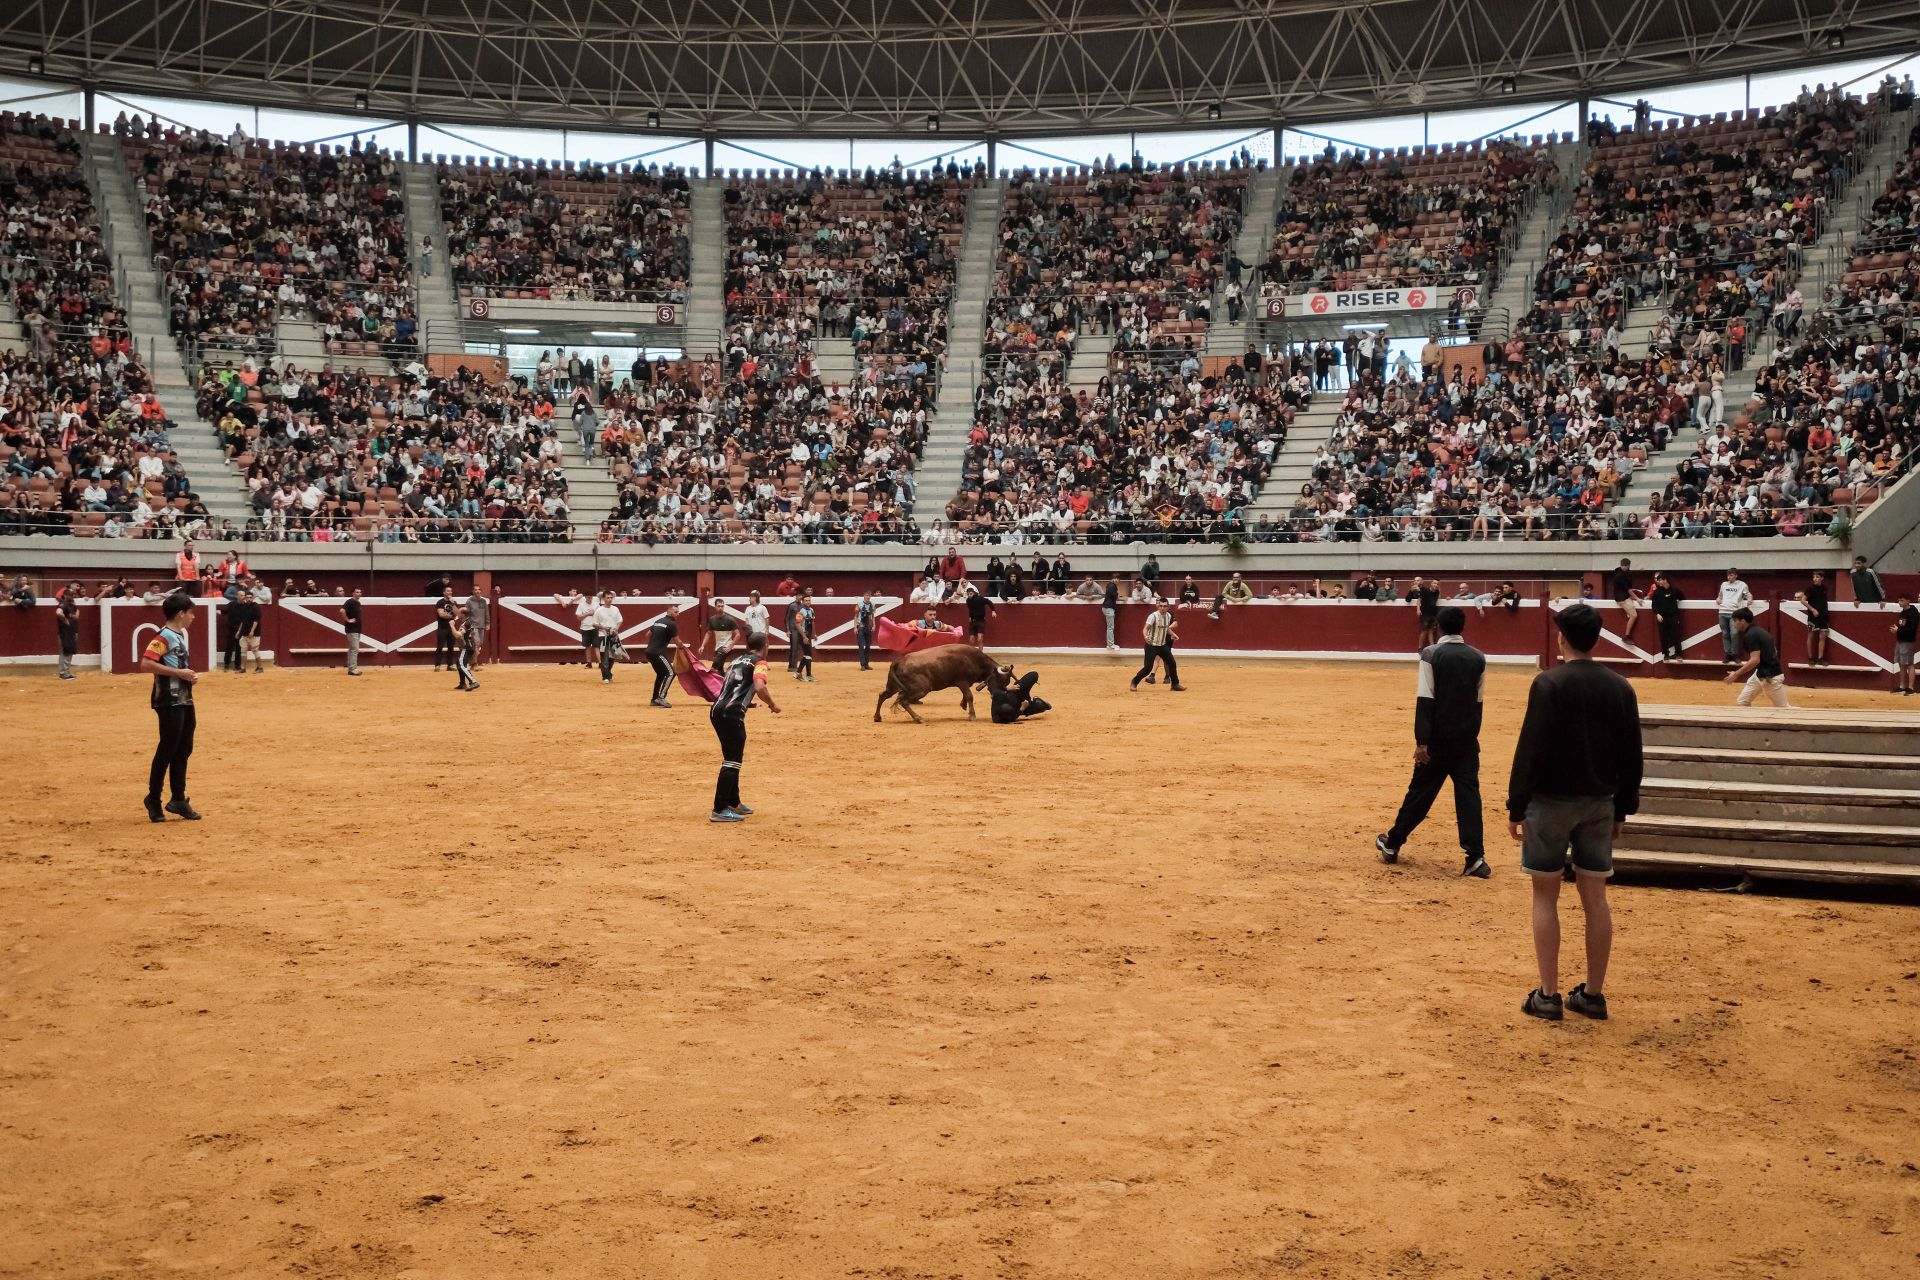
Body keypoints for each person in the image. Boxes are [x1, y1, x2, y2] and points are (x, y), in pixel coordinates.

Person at [1507, 603, 1643, 1022]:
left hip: (1549, 803)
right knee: (1596, 898)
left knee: (1545, 894)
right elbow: (1631, 754)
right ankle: (1593, 995)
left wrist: (1516, 804)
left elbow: (1531, 748)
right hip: (1600, 802)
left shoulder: (1548, 684)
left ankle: (1547, 996)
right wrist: (1624, 807)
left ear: (1561, 638)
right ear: (1598, 639)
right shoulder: (1620, 687)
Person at [1376, 607, 1489, 878]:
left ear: (1437, 626)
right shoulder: (1478, 657)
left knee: (1420, 792)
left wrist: (1422, 742)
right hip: (1466, 741)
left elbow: (1426, 699)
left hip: (1437, 740)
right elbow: (1478, 703)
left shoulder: (1431, 654)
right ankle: (1475, 857)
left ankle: (1392, 845)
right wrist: (1471, 736)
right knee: (1469, 796)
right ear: (1462, 627)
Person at [140, 594, 203, 823]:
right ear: (181, 614)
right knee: (167, 749)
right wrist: (180, 674)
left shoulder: (176, 635)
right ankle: (154, 799)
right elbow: (146, 664)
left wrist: (187, 676)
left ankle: (178, 798)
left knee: (183, 748)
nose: (193, 617)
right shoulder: (164, 636)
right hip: (168, 701)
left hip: (184, 699)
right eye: (191, 613)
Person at [709, 632, 781, 823]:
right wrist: (773, 705)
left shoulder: (736, 660)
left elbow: (731, 686)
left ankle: (733, 801)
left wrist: (747, 703)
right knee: (732, 760)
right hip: (731, 713)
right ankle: (719, 808)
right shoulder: (760, 663)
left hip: (717, 710)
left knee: (731, 758)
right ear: (765, 645)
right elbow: (759, 686)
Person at [1725, 608, 1789, 707]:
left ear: (1743, 621)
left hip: (1770, 677)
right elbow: (1774, 650)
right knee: (1742, 702)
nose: (1734, 624)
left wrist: (1736, 674)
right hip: (1761, 673)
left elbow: (1755, 660)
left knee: (1785, 710)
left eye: (1735, 621)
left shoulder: (1750, 635)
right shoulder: (1759, 631)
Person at [1130, 598, 1186, 692]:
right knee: (1148, 668)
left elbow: (1166, 628)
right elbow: (1145, 628)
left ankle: (1175, 684)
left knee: (1172, 663)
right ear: (1158, 606)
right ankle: (1134, 682)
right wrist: (1145, 636)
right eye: (1161, 606)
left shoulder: (1168, 616)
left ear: (1168, 607)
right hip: (1151, 645)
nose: (1162, 608)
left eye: (1164, 606)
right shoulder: (1153, 616)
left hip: (1162, 645)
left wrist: (1173, 634)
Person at [1715, 568, 1752, 663]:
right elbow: (1720, 596)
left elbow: (1748, 594)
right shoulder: (1724, 584)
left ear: (1736, 575)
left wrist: (1749, 599)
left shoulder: (1742, 584)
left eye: (1731, 575)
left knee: (1734, 633)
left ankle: (1734, 654)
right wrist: (1718, 599)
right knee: (1725, 633)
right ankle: (1728, 654)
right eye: (1728, 575)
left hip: (1734, 612)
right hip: (1722, 611)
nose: (1729, 577)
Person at [644, 608, 678, 707]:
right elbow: (677, 641)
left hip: (649, 651)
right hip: (658, 652)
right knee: (671, 673)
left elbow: (647, 635)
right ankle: (661, 698)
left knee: (661, 674)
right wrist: (682, 647)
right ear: (669, 612)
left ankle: (654, 699)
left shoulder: (658, 621)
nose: (678, 614)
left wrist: (655, 642)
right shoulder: (672, 624)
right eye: (676, 612)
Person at [556, 589, 598, 666]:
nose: (590, 599)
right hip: (585, 627)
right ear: (585, 597)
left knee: (596, 646)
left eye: (591, 597)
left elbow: (599, 615)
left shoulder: (596, 604)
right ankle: (589, 663)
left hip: (595, 627)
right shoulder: (582, 605)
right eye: (588, 597)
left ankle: (600, 663)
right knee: (588, 646)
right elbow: (578, 618)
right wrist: (588, 613)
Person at [1649, 573, 1684, 660]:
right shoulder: (1657, 592)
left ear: (1665, 580)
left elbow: (1682, 597)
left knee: (1676, 635)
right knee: (1663, 637)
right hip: (1662, 617)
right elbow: (1654, 605)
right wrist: (1657, 614)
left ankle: (1679, 654)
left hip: (1673, 616)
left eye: (1660, 580)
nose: (1659, 581)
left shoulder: (1674, 590)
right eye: (1658, 580)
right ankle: (1666, 654)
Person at [592, 590, 624, 684]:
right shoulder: (599, 610)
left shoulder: (615, 609)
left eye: (611, 597)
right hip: (603, 636)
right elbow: (594, 624)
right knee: (604, 656)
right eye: (608, 598)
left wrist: (616, 629)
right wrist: (603, 627)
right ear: (603, 599)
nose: (610, 599)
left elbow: (620, 620)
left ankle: (608, 674)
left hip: (613, 635)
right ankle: (605, 677)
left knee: (612, 657)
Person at [1800, 572, 1831, 667]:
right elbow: (1803, 600)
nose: (1815, 578)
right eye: (1813, 577)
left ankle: (1820, 658)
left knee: (1823, 636)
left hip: (1823, 615)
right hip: (1813, 616)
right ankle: (1810, 658)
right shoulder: (1810, 589)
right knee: (1811, 636)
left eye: (1817, 577)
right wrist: (1813, 610)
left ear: (1822, 578)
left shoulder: (1824, 588)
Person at [231, 587, 263, 673]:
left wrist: (252, 631)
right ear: (245, 598)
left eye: (250, 597)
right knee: (243, 651)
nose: (248, 599)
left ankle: (260, 667)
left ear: (252, 598)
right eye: (247, 597)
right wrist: (239, 631)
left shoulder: (256, 606)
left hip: (254, 633)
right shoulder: (244, 607)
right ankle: (243, 668)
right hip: (244, 633)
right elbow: (242, 621)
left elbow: (256, 620)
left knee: (255, 650)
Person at [1892, 593, 1917, 697]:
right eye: (1899, 600)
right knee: (1901, 664)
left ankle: (1910, 688)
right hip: (1900, 640)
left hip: (1908, 641)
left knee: (1909, 664)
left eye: (1901, 600)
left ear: (1908, 601)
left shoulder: (1913, 613)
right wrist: (1896, 630)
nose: (1899, 602)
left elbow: (1912, 630)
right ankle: (1902, 686)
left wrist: (1898, 630)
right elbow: (1902, 626)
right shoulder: (1903, 612)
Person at [55, 581, 81, 680]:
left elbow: (77, 615)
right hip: (65, 631)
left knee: (68, 651)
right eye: (70, 595)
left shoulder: (71, 605)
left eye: (73, 595)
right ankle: (63, 673)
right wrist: (65, 620)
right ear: (65, 595)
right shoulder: (64, 603)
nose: (72, 596)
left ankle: (65, 672)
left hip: (71, 631)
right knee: (65, 651)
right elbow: (58, 613)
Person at [1408, 576, 1441, 648]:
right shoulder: (1425, 591)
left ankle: (1432, 647)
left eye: (1437, 584)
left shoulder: (1437, 592)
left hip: (1433, 614)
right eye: (1434, 583)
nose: (1436, 585)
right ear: (1431, 584)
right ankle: (1420, 647)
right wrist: (1418, 609)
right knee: (1424, 630)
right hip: (1425, 614)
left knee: (1431, 631)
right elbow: (1419, 600)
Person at [1610, 559, 1641, 635]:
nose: (1623, 567)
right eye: (1622, 565)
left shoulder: (1624, 573)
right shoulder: (1620, 575)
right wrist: (1637, 598)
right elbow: (1628, 589)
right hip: (1621, 598)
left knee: (1631, 614)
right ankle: (1627, 635)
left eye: (1625, 565)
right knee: (1633, 615)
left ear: (1628, 566)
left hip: (1623, 596)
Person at [452, 605, 480, 691]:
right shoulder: (470, 622)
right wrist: (476, 648)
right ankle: (462, 683)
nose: (458, 614)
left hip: (466, 647)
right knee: (459, 663)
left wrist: (451, 626)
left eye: (459, 613)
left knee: (461, 665)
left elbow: (458, 635)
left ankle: (473, 682)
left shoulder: (465, 624)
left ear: (463, 614)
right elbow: (474, 635)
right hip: (470, 646)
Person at [792, 590, 817, 681]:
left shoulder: (811, 610)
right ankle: (808, 675)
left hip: (808, 635)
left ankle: (799, 673)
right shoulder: (800, 611)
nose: (808, 602)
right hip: (803, 635)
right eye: (806, 600)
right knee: (808, 654)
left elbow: (812, 622)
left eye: (809, 600)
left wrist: (814, 633)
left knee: (807, 655)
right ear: (803, 602)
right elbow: (797, 624)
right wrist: (804, 636)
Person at [432, 587, 458, 671]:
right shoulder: (440, 602)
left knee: (451, 647)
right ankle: (437, 665)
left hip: (451, 628)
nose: (450, 592)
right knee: (440, 647)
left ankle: (450, 665)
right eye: (448, 591)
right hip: (442, 628)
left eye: (451, 591)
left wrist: (453, 603)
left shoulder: (454, 602)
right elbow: (441, 615)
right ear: (444, 592)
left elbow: (457, 613)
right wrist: (451, 616)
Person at [705, 597, 737, 662]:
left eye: (722, 606)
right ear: (715, 607)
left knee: (715, 663)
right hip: (718, 647)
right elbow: (708, 633)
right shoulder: (712, 619)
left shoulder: (730, 619)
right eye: (718, 606)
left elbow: (738, 634)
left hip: (727, 646)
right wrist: (703, 646)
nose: (720, 608)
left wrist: (730, 646)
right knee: (719, 667)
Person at [342, 588, 364, 676]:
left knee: (352, 649)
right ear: (353, 593)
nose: (359, 594)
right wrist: (348, 620)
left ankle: (351, 667)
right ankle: (353, 669)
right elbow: (342, 610)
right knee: (355, 649)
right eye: (357, 592)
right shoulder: (350, 602)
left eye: (360, 592)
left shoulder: (357, 603)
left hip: (356, 629)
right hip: (352, 629)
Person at [465, 587, 489, 665]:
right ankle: (474, 663)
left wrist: (487, 623)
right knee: (476, 643)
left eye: (479, 589)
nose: (478, 591)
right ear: (473, 591)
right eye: (476, 590)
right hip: (473, 625)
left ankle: (473, 662)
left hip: (481, 625)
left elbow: (486, 613)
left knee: (479, 643)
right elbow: (466, 613)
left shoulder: (483, 601)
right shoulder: (469, 601)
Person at [855, 591, 878, 670]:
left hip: (868, 627)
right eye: (866, 595)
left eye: (869, 596)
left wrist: (874, 625)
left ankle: (866, 664)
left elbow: (872, 616)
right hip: (860, 627)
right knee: (861, 646)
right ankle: (862, 664)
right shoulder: (859, 604)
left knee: (868, 646)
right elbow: (855, 616)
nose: (868, 597)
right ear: (864, 596)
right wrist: (855, 627)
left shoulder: (872, 605)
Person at [1101, 575, 1120, 650]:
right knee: (1110, 627)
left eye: (1117, 579)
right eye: (1115, 578)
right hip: (1109, 608)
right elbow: (1114, 596)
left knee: (1110, 627)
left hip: (1106, 607)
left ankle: (1110, 644)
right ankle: (1110, 644)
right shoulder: (1113, 586)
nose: (1116, 580)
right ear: (1112, 579)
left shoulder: (1109, 585)